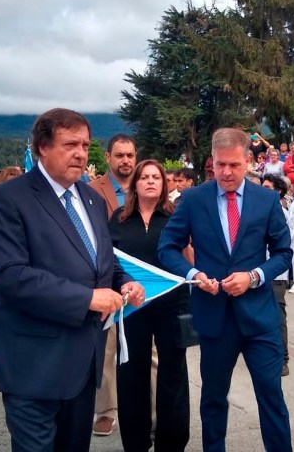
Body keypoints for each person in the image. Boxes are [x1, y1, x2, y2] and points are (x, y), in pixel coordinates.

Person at [0, 108, 143, 452]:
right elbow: (11, 275)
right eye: (70, 144)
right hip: (33, 365)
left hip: (84, 364)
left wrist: (124, 282)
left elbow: (104, 260)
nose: (81, 153)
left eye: (84, 145)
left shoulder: (92, 200)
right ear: (42, 147)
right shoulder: (7, 199)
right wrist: (86, 298)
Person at [158, 128, 293, 452]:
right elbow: (167, 248)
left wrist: (255, 276)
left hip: (259, 319)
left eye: (233, 165)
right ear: (212, 162)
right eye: (220, 165)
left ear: (248, 161)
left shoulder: (266, 199)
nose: (227, 173)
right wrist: (193, 274)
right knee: (214, 399)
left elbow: (283, 252)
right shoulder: (193, 199)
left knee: (271, 397)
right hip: (214, 317)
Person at [108, 159, 190, 452]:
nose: (151, 181)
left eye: (157, 177)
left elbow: (188, 257)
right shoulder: (118, 218)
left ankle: (172, 442)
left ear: (164, 184)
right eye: (145, 177)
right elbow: (109, 260)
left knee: (173, 373)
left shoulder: (176, 217)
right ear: (136, 184)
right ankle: (136, 442)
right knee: (131, 374)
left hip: (172, 304)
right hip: (132, 304)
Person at [87, 133, 137, 436]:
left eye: (130, 155)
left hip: (143, 281)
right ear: (108, 157)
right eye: (119, 155)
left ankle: (151, 409)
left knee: (150, 349)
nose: (125, 161)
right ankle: (106, 410)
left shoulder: (149, 187)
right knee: (106, 347)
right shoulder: (91, 191)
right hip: (106, 279)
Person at [260, 173, 291, 376]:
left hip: (275, 274)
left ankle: (283, 359)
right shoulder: (259, 209)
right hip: (258, 272)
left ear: (278, 192)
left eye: (268, 187)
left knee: (277, 315)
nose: (263, 190)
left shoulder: (281, 212)